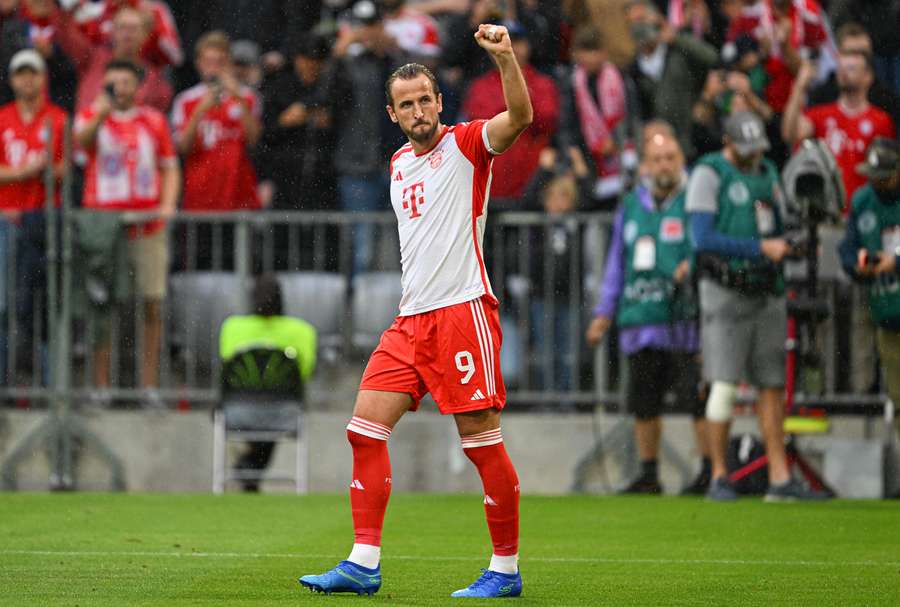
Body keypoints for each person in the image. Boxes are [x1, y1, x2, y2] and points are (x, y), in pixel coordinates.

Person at [299, 24, 533, 598]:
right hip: (411, 321)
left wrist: (504, 59)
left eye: (425, 99)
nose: (418, 110)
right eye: (406, 104)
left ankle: (505, 571)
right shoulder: (399, 164)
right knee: (363, 430)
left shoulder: (468, 145)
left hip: (462, 312)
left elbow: (520, 118)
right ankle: (362, 562)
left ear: (439, 102)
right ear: (393, 114)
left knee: (481, 443)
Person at [686, 111, 823, 502]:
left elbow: (779, 224)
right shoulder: (708, 173)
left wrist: (793, 240)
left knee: (771, 384)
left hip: (766, 288)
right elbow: (702, 239)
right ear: (728, 142)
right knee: (724, 384)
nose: (752, 155)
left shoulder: (768, 172)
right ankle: (718, 474)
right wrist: (759, 248)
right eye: (745, 148)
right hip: (725, 287)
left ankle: (779, 478)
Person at [586, 128, 711, 495]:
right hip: (639, 318)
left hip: (685, 318)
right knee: (644, 400)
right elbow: (616, 265)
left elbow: (704, 246)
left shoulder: (693, 201)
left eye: (670, 158)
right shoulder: (631, 206)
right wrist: (603, 314)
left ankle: (708, 470)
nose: (664, 165)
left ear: (681, 162)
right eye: (656, 159)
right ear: (643, 166)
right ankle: (649, 472)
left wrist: (691, 265)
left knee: (696, 398)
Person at [74, 58, 180, 398]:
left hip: (147, 225)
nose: (119, 88)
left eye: (125, 81)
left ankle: (147, 386)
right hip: (105, 227)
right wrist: (102, 112)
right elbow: (81, 141)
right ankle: (102, 385)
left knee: (152, 303)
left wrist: (166, 206)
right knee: (103, 306)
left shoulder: (154, 121)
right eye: (112, 82)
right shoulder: (92, 116)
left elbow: (170, 167)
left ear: (138, 85)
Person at [0, 49, 66, 382]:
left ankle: (48, 385)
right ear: (12, 80)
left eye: (33, 73)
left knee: (44, 304)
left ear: (43, 78)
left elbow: (67, 168)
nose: (27, 79)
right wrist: (27, 170)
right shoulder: (2, 118)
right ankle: (5, 382)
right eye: (21, 73)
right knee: (4, 304)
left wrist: (47, 171)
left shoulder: (57, 118)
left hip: (44, 221)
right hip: (6, 221)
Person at [219, 273, 317, 492]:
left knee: (263, 401)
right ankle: (250, 465)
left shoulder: (233, 327)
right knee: (272, 400)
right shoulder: (301, 331)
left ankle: (249, 465)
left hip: (238, 410)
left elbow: (228, 366)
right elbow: (304, 371)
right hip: (284, 412)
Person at [837, 138, 900, 473]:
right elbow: (847, 249)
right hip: (887, 311)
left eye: (885, 176)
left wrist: (897, 261)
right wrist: (856, 265)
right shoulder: (862, 201)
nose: (878, 182)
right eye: (873, 175)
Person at [461, 20, 559, 209]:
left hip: (533, 187)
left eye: (518, 42)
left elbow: (548, 122)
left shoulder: (543, 84)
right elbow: (482, 128)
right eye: (508, 41)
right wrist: (520, 104)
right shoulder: (480, 87)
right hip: (493, 186)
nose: (512, 48)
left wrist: (515, 105)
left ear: (528, 46)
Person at [782, 52, 896, 208]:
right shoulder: (821, 114)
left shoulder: (881, 120)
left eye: (851, 68)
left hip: (863, 209)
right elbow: (790, 134)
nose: (843, 72)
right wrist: (799, 87)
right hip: (827, 211)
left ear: (867, 76)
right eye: (840, 68)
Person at [625, 0, 719, 162]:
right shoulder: (634, 69)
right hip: (667, 151)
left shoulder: (678, 48)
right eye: (632, 23)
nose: (638, 27)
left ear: (655, 18)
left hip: (698, 138)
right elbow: (640, 115)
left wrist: (676, 38)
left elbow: (712, 58)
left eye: (641, 20)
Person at [51, 4, 173, 113]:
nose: (128, 34)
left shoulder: (153, 77)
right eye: (122, 27)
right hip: (89, 134)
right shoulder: (92, 57)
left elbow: (159, 110)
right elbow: (65, 32)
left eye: (134, 29)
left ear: (146, 35)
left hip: (129, 136)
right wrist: (66, 6)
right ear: (112, 31)